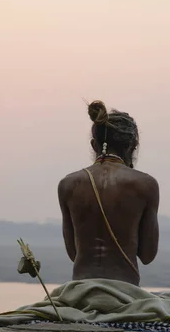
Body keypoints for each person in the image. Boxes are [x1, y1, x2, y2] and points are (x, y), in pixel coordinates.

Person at [57, 100, 160, 286]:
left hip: (80, 289)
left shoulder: (68, 185)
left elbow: (74, 253)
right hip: (125, 291)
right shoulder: (145, 184)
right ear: (132, 147)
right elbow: (147, 255)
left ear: (94, 144)